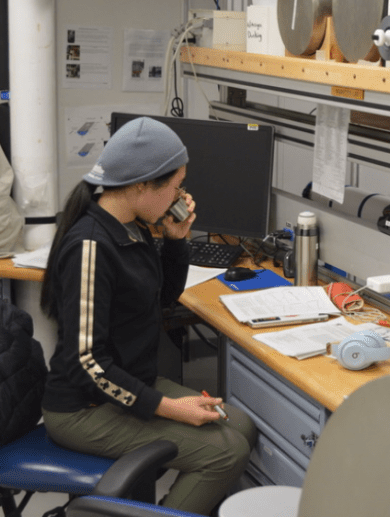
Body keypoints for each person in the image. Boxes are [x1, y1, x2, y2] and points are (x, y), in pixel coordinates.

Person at [40, 116, 257, 515]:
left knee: (239, 425)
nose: (181, 195)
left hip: (130, 384)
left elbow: (159, 300)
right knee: (223, 453)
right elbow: (88, 363)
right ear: (142, 185)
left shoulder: (133, 228)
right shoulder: (91, 246)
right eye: (176, 186)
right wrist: (172, 408)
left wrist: (176, 241)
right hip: (83, 409)